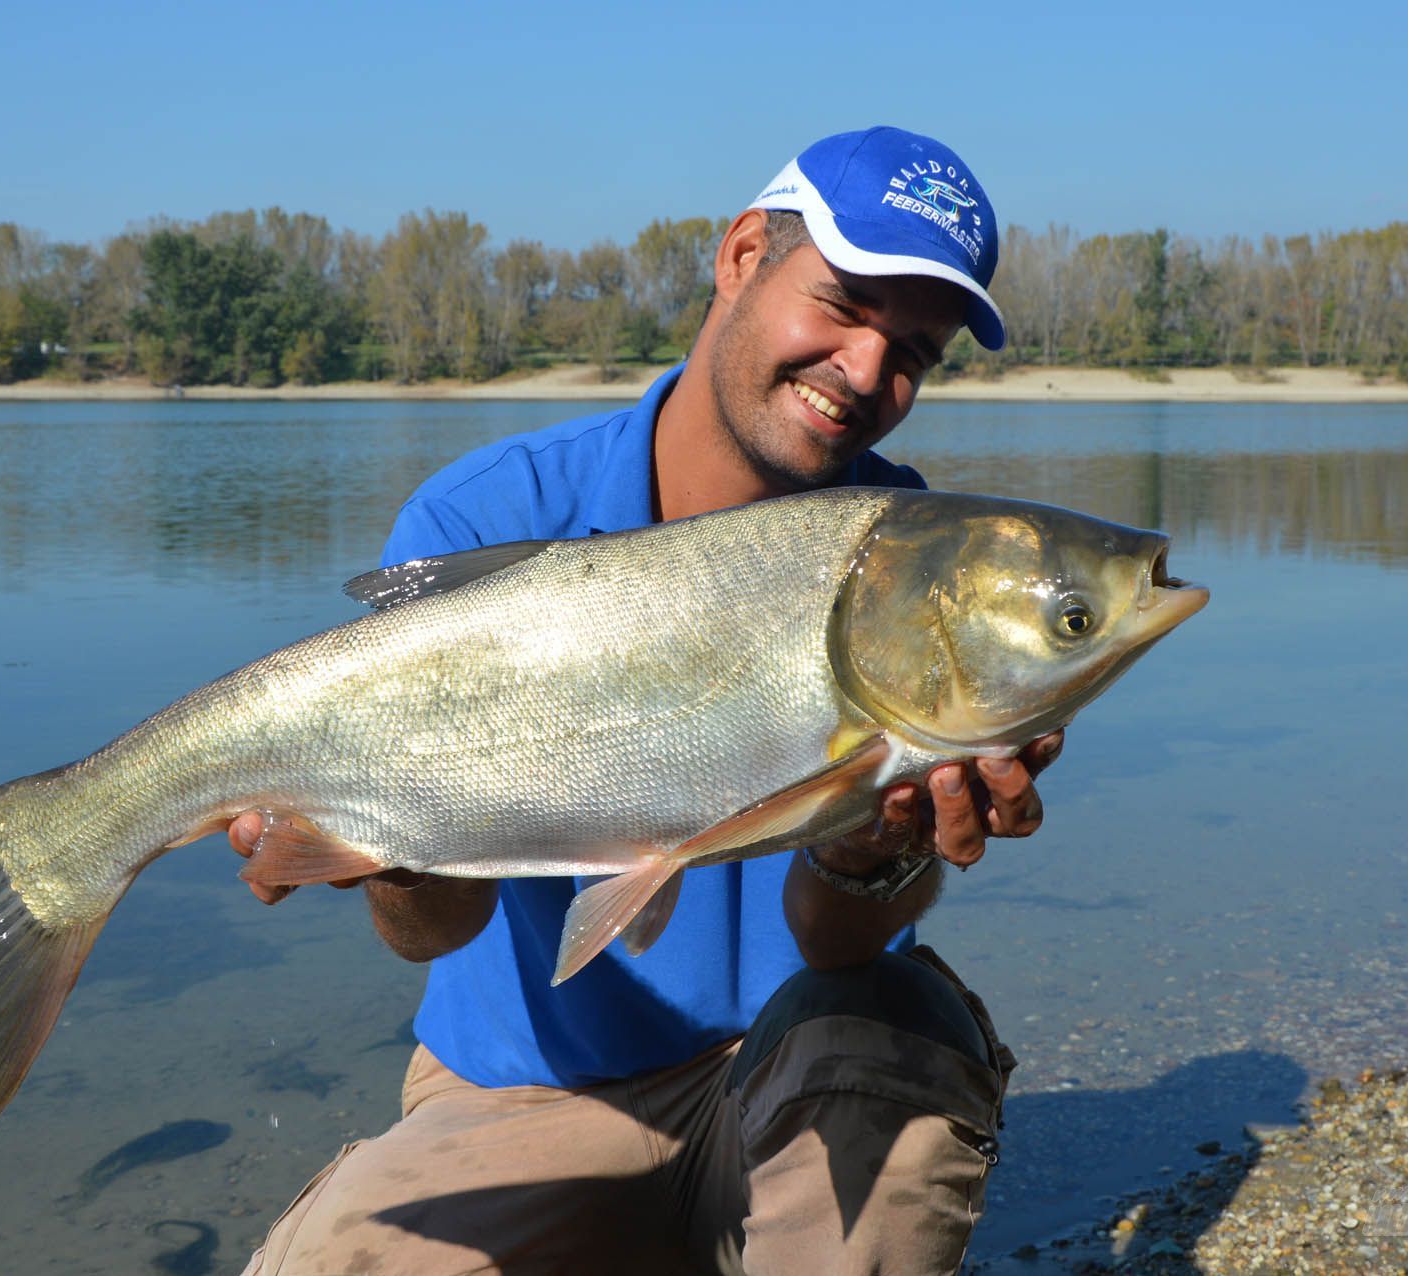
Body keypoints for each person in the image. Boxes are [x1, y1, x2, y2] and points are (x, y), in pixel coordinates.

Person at [233, 126, 1062, 1276]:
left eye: (913, 350)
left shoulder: (916, 562)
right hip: (521, 1090)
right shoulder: (485, 517)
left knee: (902, 1031)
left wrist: (879, 846)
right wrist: (385, 847)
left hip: (787, 1080)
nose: (869, 374)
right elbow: (428, 932)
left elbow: (839, 944)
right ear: (739, 258)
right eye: (843, 306)